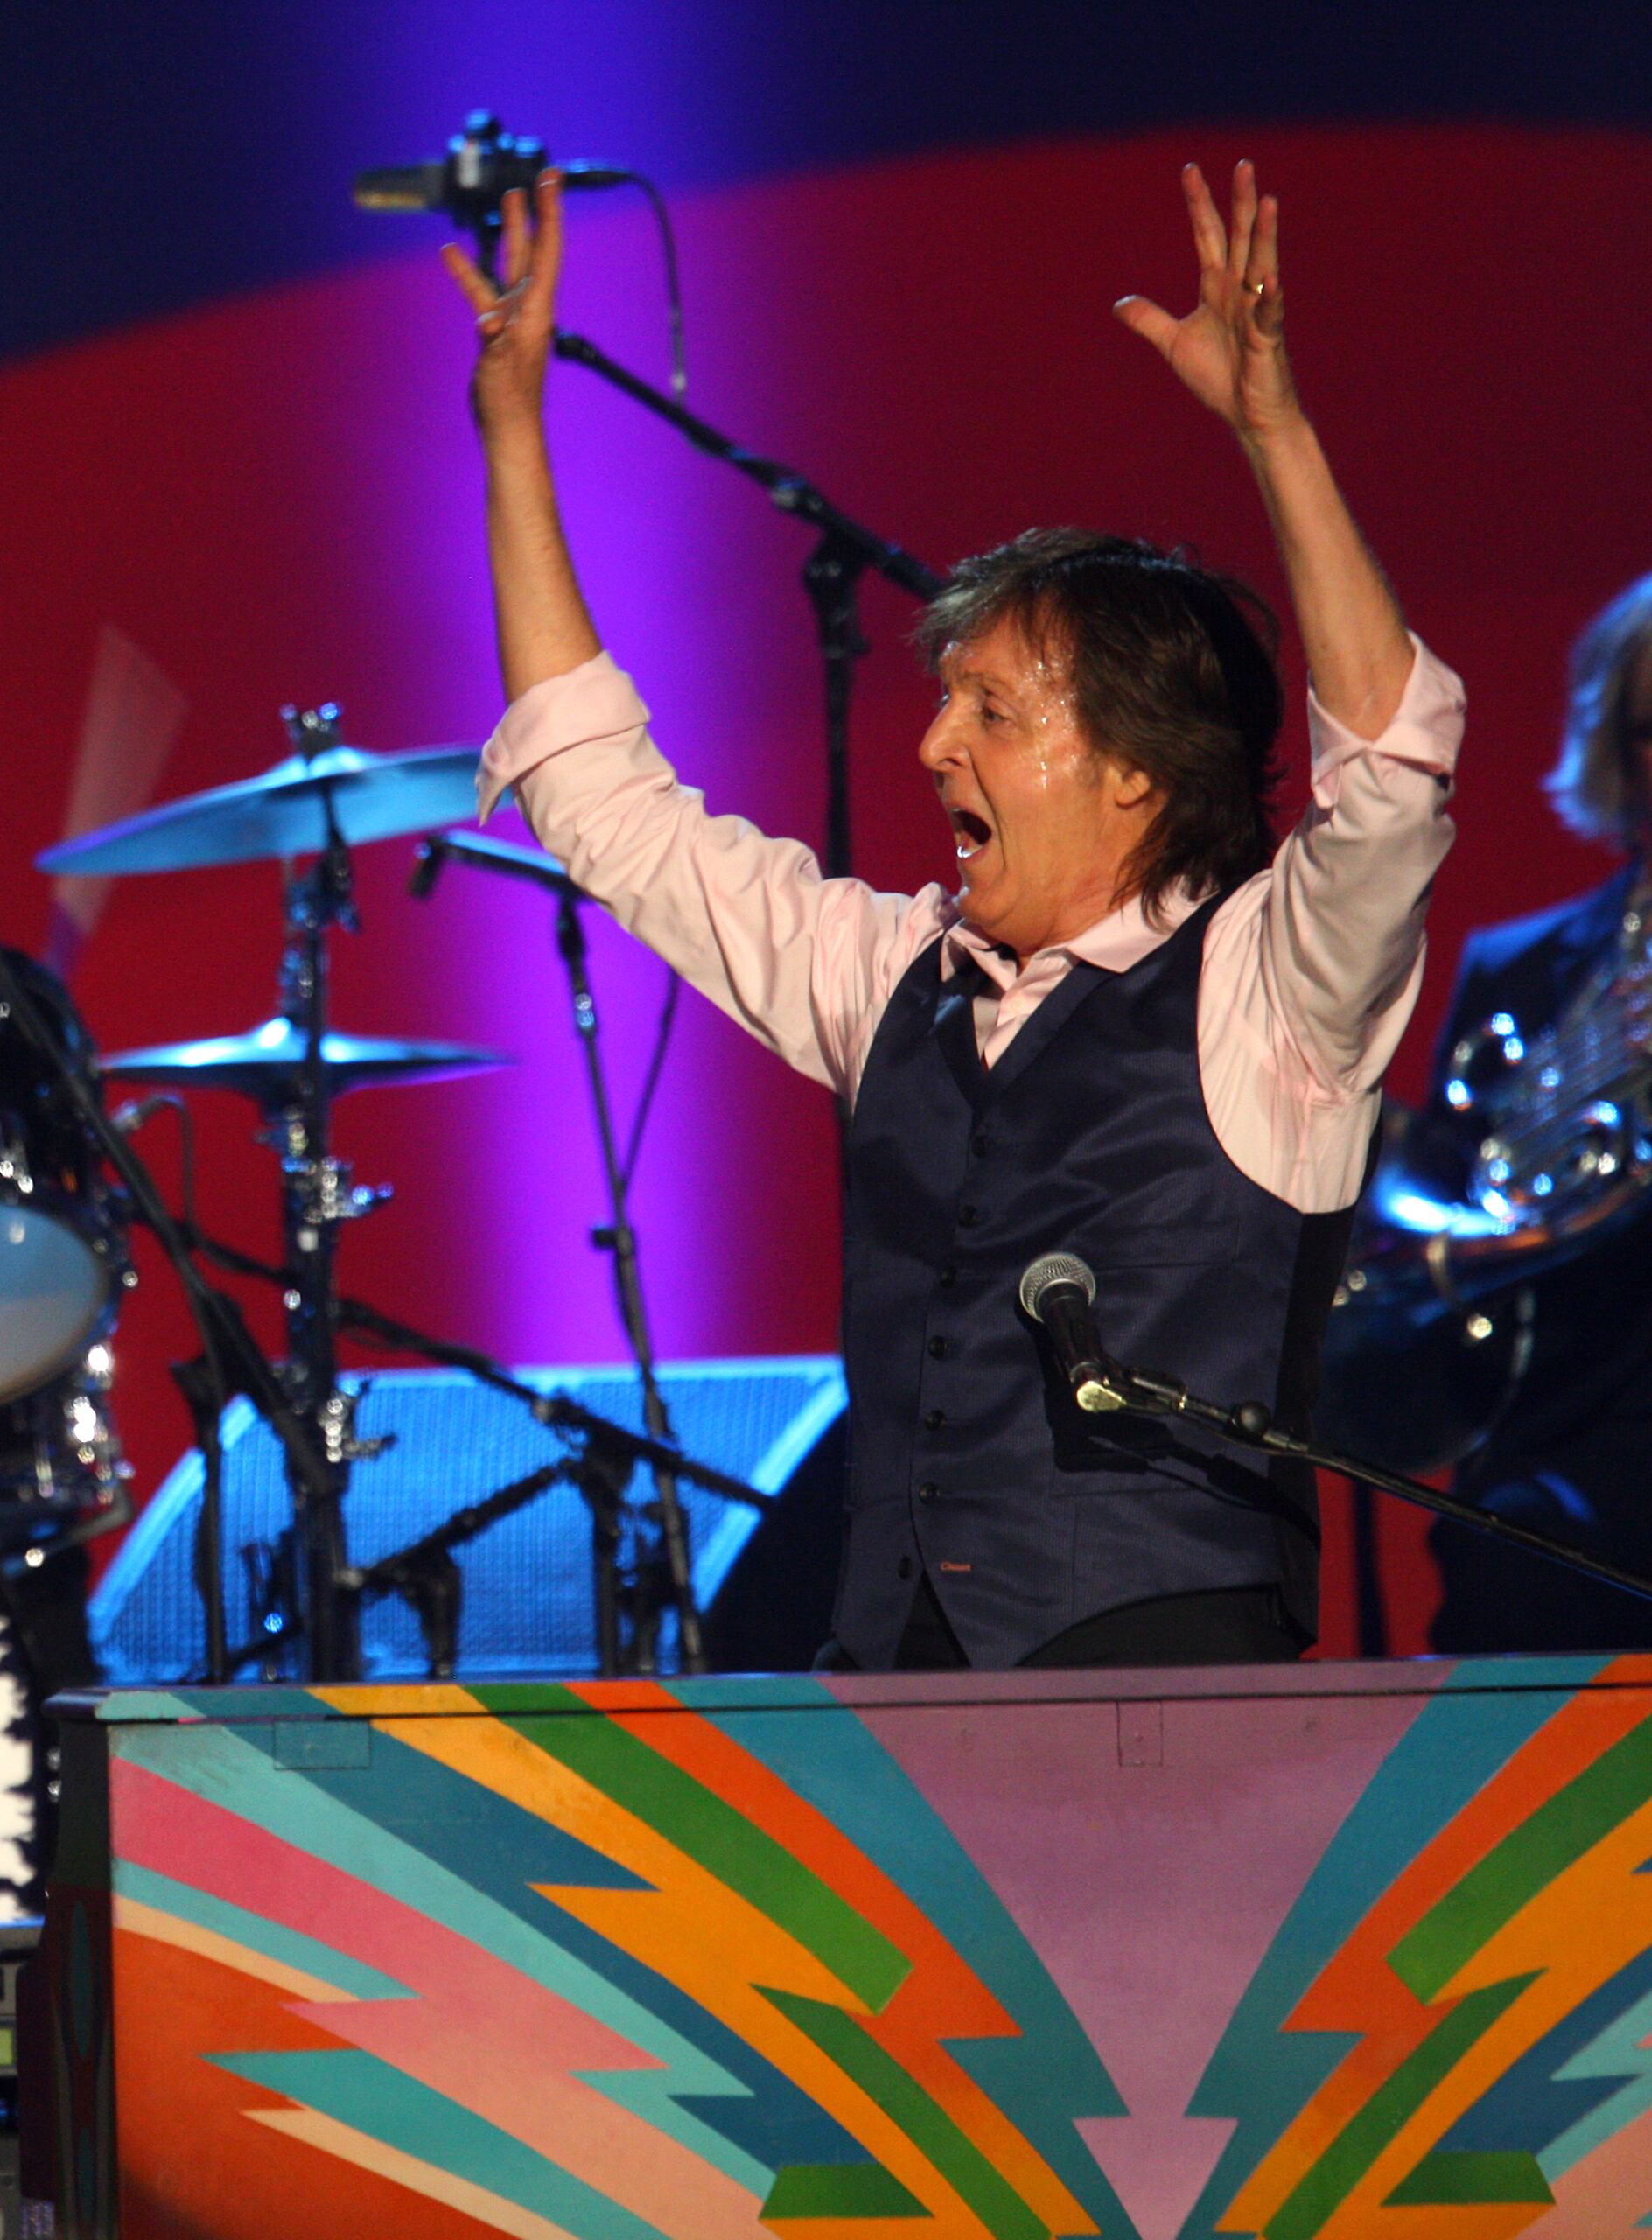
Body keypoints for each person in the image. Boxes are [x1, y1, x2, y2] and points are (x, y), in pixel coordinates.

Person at [452, 162, 1461, 1670]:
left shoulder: (1271, 994)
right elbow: (602, 801)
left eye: (991, 708)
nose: (934, 746)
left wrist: (1273, 432)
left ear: (1131, 770)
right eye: (943, 700)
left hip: (1166, 1692)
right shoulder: (894, 982)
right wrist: (513, 432)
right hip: (895, 1680)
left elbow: (1390, 772)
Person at [1325, 571, 1652, 1651]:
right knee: (1505, 1572)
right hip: (1551, 1442)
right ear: (1615, 745)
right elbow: (1442, 1200)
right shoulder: (1516, 969)